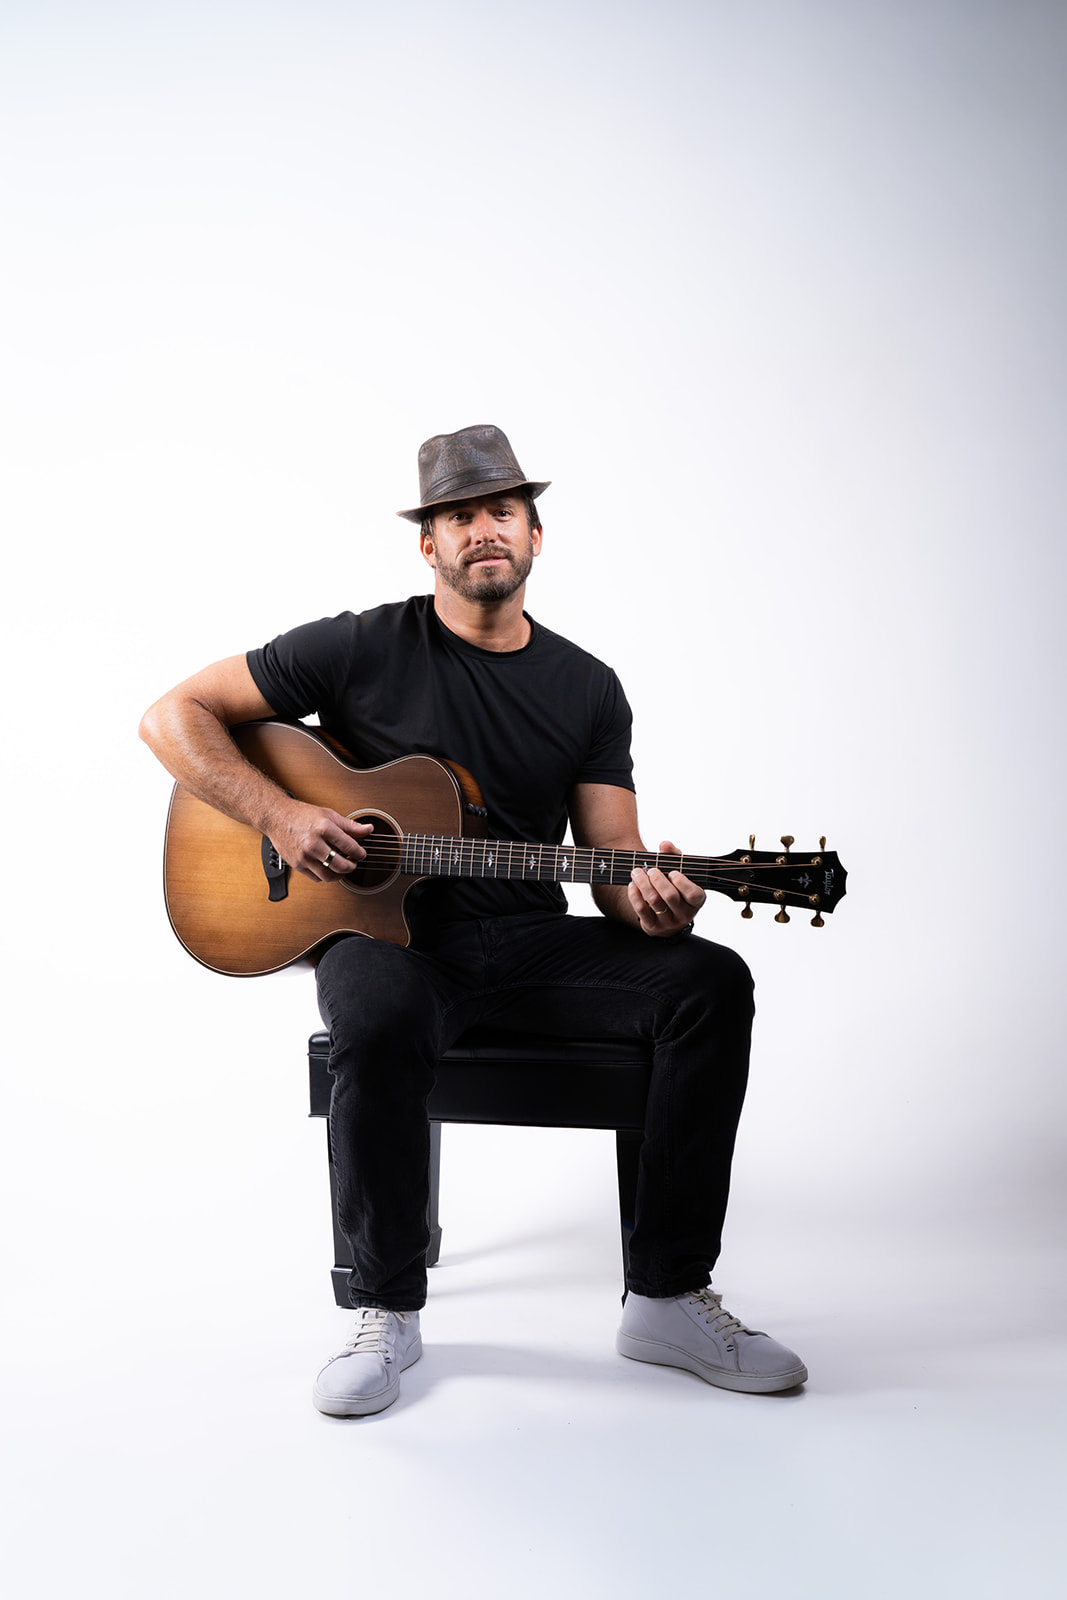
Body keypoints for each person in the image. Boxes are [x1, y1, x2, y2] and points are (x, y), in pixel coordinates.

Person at [140, 423, 807, 1416]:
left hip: (528, 939)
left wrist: (655, 899)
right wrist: (280, 811)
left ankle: (665, 1295)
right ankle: (386, 1310)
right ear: (429, 545)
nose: (481, 529)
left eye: (501, 511)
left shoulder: (587, 688)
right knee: (374, 1014)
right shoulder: (359, 644)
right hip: (388, 941)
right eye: (458, 515)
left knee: (710, 984)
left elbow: (613, 865)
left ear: (534, 537)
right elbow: (172, 715)